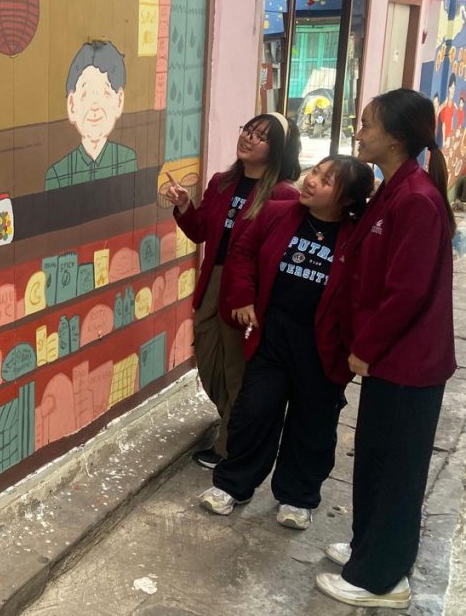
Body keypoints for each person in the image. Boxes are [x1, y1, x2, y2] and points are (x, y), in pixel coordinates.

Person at [315, 89, 457, 609]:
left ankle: (382, 578)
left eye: (367, 125)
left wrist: (366, 348)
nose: (358, 134)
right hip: (391, 359)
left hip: (406, 362)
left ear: (395, 137)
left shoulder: (416, 198)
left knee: (396, 469)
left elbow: (407, 291)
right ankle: (367, 548)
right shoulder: (393, 190)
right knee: (375, 458)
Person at [196, 156, 374, 528]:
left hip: (324, 347)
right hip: (273, 336)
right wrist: (243, 296)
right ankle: (233, 484)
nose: (312, 180)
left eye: (326, 180)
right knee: (254, 412)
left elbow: (366, 294)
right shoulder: (277, 213)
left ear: (346, 199)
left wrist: (361, 345)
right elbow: (242, 252)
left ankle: (297, 496)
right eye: (315, 172)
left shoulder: (359, 237)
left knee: (313, 424)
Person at [164, 113, 301, 468]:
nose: (249, 138)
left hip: (247, 291)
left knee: (236, 367)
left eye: (262, 136)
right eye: (248, 130)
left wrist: (254, 298)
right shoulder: (222, 182)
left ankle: (230, 447)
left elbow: (276, 255)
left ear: (278, 149)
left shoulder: (284, 195)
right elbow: (200, 232)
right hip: (214, 280)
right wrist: (184, 205)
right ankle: (240, 426)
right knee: (208, 358)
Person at [45, 41, 137, 190]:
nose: (94, 106)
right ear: (72, 105)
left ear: (119, 101)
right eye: (85, 94)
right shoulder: (57, 173)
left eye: (104, 93)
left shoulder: (127, 159)